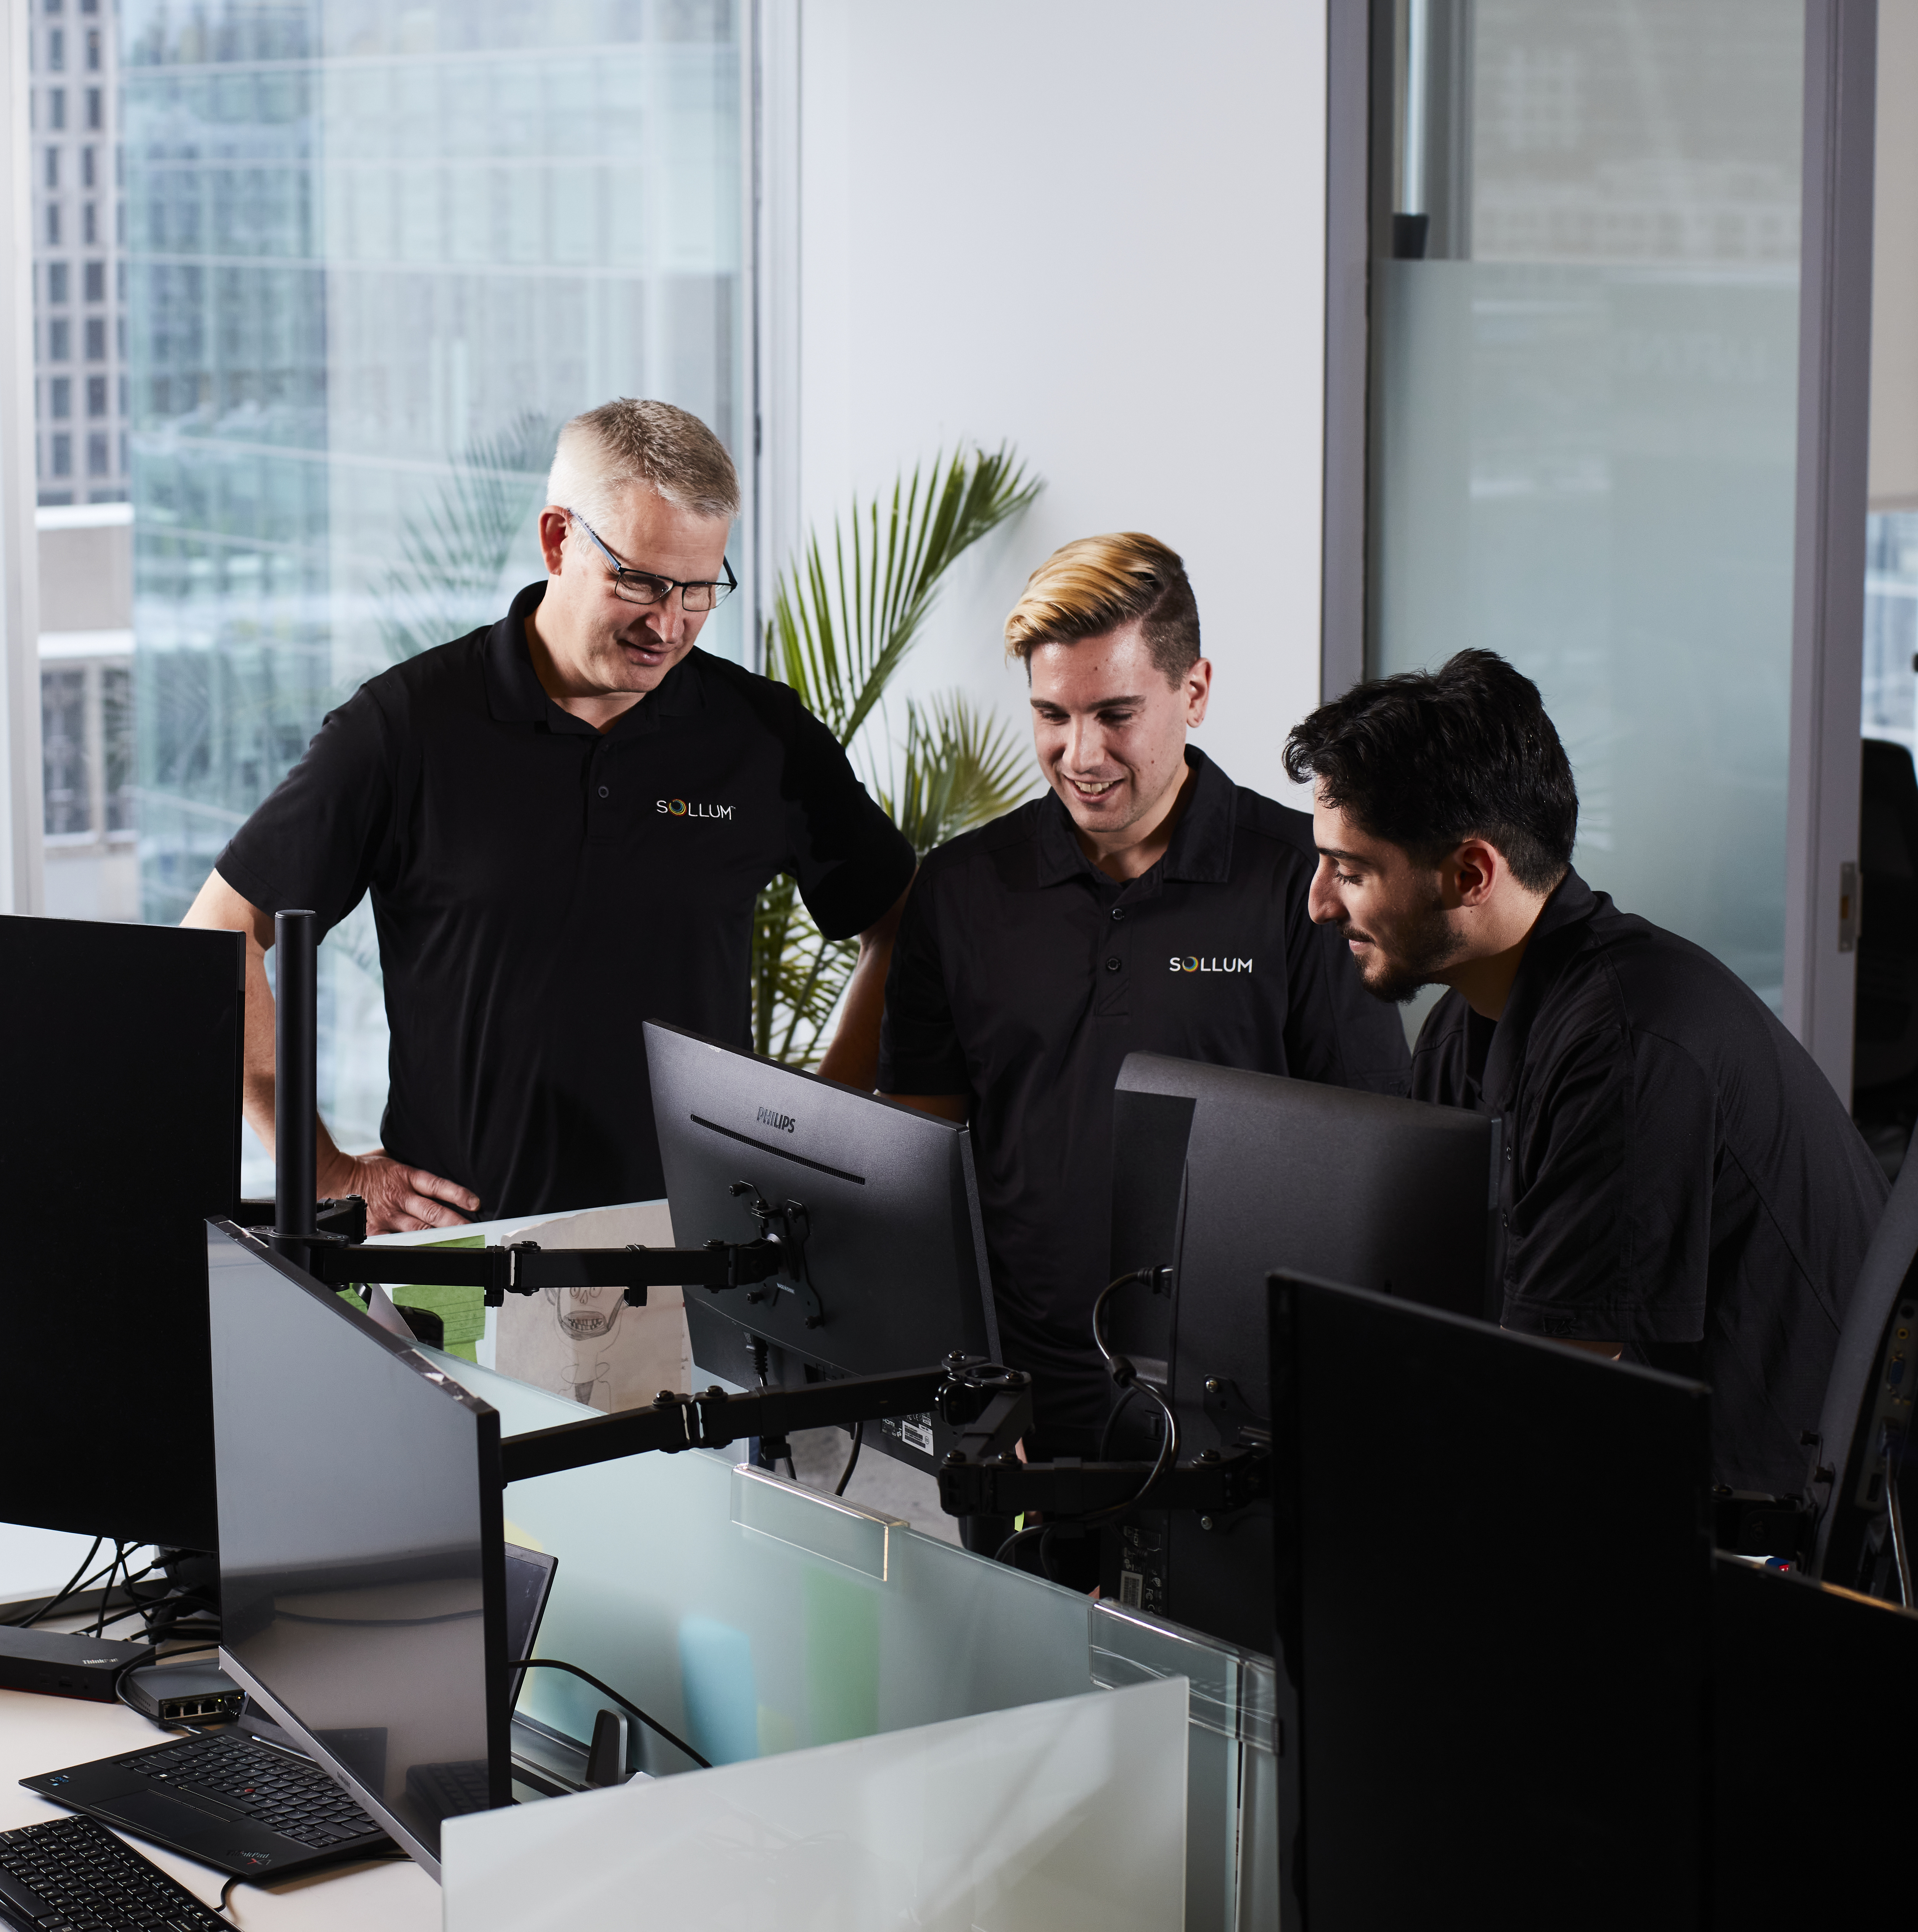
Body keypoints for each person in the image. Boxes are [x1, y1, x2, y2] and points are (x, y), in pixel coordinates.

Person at [1286, 648, 1918, 1545]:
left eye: (1350, 869)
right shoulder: (1469, 1023)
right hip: (1742, 1497)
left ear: (1470, 875)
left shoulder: (1626, 1050)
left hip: (1898, 1553)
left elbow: (1546, 1401)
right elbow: (1446, 1298)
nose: (1317, 905)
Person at [184, 399, 916, 1231]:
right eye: (639, 581)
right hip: (463, 1258)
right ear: (557, 539)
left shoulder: (761, 736)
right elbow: (218, 933)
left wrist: (816, 1139)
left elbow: (906, 925)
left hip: (702, 1258)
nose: (668, 624)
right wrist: (321, 1171)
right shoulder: (409, 725)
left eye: (700, 589)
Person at [879, 534, 1412, 1461]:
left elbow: (1373, 1182)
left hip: (1236, 1428)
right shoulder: (960, 891)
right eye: (1051, 714)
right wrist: (964, 1394)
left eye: (1115, 713)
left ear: (1194, 691)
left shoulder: (1310, 889)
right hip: (1020, 1413)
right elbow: (924, 1174)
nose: (1079, 754)